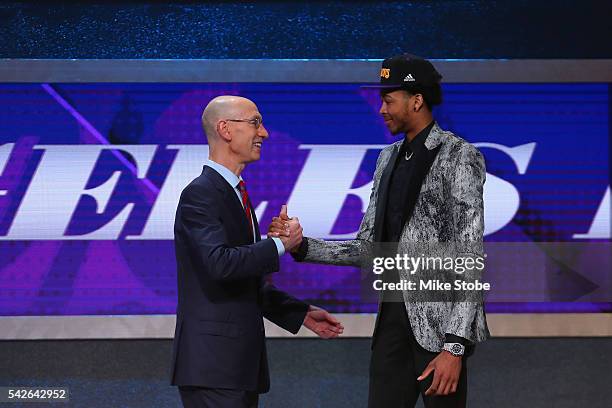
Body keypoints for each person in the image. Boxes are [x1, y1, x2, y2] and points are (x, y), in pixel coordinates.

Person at [269, 54, 489, 407]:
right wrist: (300, 246)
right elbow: (368, 248)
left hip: (439, 330)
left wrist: (455, 346)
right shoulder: (386, 158)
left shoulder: (459, 155)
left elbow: (469, 253)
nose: (381, 109)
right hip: (391, 325)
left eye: (389, 99)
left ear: (416, 100)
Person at [171, 95, 344, 408]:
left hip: (234, 368)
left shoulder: (235, 193)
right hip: (213, 368)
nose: (264, 133)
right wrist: (279, 245)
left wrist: (299, 313)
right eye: (255, 123)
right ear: (225, 129)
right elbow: (219, 265)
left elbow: (243, 282)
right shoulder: (200, 194)